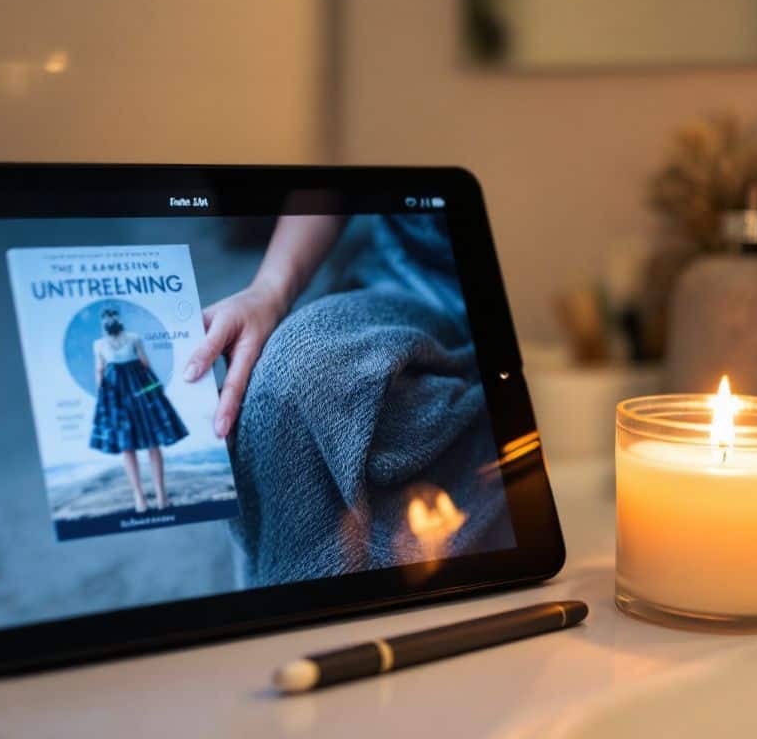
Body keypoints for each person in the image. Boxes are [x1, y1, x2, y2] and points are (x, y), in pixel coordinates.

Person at [183, 215, 514, 585]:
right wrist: (269, 292)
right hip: (397, 277)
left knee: (299, 369)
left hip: (483, 301)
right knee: (283, 372)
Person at [90, 307, 188, 513]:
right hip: (118, 395)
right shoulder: (100, 344)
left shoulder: (133, 338)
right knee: (128, 445)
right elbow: (100, 371)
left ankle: (160, 495)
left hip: (138, 391)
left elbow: (144, 364)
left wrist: (154, 390)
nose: (110, 321)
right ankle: (140, 496)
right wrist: (103, 401)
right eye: (108, 318)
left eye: (112, 317)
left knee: (151, 441)